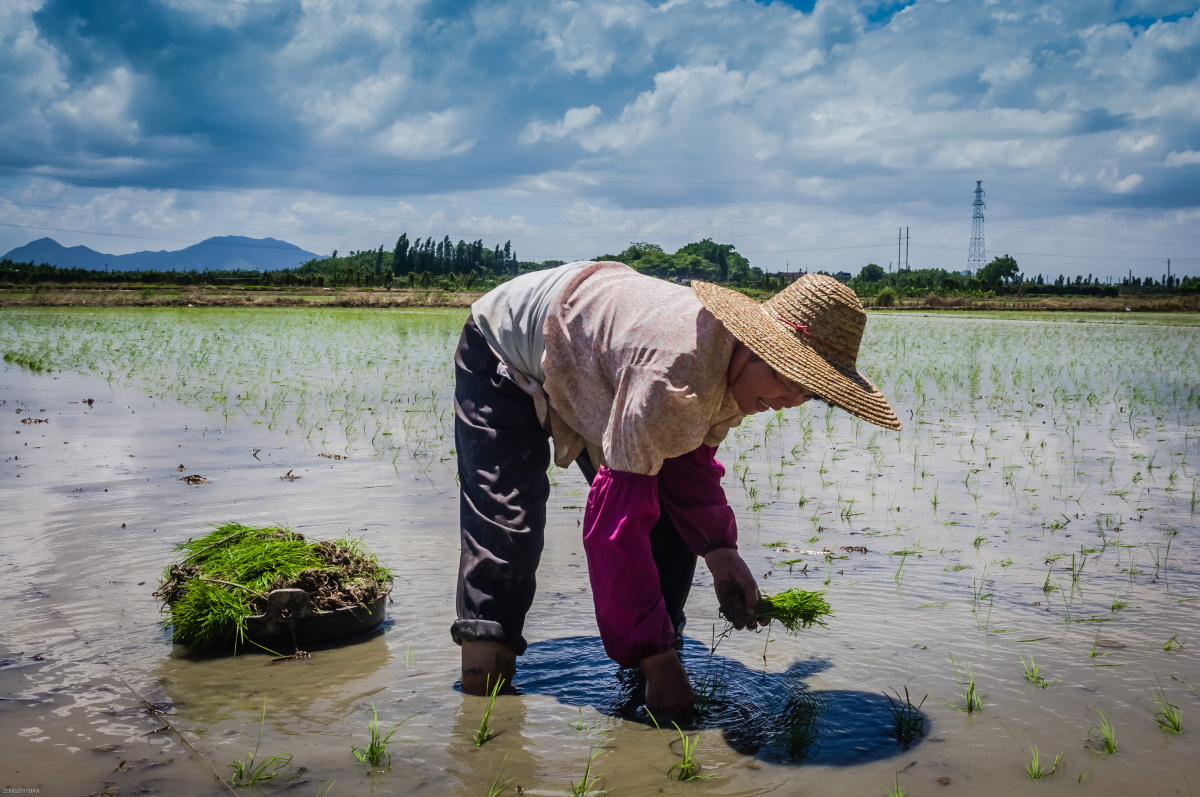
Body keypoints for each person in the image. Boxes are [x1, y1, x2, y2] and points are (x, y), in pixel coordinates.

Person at [451, 261, 900, 713]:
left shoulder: (732, 374)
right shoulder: (673, 375)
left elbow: (689, 462)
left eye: (805, 391)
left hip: (599, 355)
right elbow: (615, 528)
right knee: (508, 524)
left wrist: (721, 554)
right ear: (750, 345)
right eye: (784, 378)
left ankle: (647, 669)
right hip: (506, 348)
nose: (786, 401)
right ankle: (483, 699)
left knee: (666, 524)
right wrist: (659, 662)